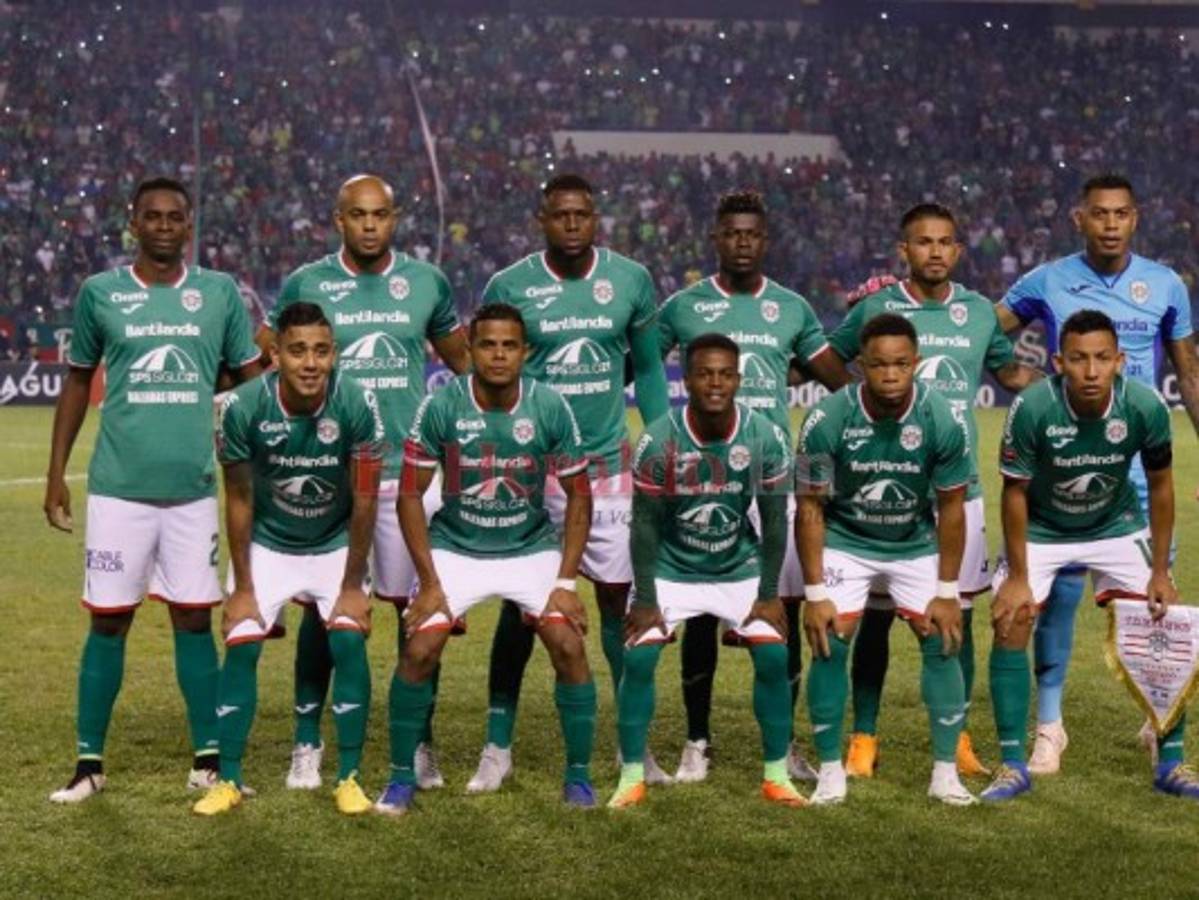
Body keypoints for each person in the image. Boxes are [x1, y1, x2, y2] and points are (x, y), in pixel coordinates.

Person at [45, 177, 262, 803]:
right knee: (109, 621)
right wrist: (57, 473)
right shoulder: (101, 293)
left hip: (193, 490)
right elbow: (78, 382)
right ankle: (89, 764)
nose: (164, 225)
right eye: (152, 216)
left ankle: (208, 760)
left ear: (189, 225)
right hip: (118, 490)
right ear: (133, 223)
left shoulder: (218, 293)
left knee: (194, 618)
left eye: (174, 217)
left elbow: (249, 381)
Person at [262, 174, 471, 793]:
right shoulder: (308, 283)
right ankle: (307, 744)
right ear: (339, 220)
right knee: (321, 609)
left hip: (408, 474)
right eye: (358, 215)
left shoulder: (427, 282)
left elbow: (463, 362)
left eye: (380, 214)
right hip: (331, 474)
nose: (371, 224)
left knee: (421, 613)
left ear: (395, 217)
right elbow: (271, 351)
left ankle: (419, 743)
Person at [466, 173, 671, 792]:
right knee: (520, 610)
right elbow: (495, 376)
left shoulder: (630, 280)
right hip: (533, 475)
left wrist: (661, 442)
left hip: (608, 475)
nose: (573, 224)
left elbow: (649, 367)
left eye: (583, 214)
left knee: (619, 606)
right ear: (543, 219)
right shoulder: (510, 285)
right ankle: (497, 747)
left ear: (596, 217)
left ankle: (633, 746)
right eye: (561, 215)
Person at [995, 174, 1199, 774]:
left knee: (1153, 606)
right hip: (1065, 468)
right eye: (1100, 213)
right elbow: (986, 330)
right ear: (1078, 219)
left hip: (1138, 468)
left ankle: (1159, 721)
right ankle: (1050, 727)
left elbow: (1188, 372)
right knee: (1056, 600)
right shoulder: (1047, 280)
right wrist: (1022, 378)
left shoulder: (1166, 284)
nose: (1111, 224)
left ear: (1136, 218)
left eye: (1121, 214)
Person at [829, 203, 1040, 778]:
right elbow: (829, 359)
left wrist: (1068, 379)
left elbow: (1011, 374)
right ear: (904, 250)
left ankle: (958, 735)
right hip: (883, 489)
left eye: (946, 242)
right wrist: (853, 411)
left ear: (959, 250)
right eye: (924, 242)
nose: (936, 251)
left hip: (957, 490)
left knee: (956, 618)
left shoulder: (979, 313)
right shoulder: (875, 306)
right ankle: (864, 737)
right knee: (873, 619)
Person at [656, 189, 850, 783]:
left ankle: (782, 742)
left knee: (783, 607)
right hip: (703, 476)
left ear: (765, 241)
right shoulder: (683, 307)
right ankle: (696, 740)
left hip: (775, 477)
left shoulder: (790, 308)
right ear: (716, 238)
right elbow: (640, 366)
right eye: (732, 233)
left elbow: (839, 383)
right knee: (699, 608)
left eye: (752, 233)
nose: (742, 242)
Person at [375, 303, 598, 814]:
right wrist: (430, 582)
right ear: (470, 349)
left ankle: (579, 779)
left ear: (526, 352)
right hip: (456, 546)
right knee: (420, 648)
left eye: (509, 345)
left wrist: (566, 582)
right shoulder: (442, 405)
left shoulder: (549, 406)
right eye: (488, 345)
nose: (498, 355)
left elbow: (579, 495)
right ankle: (401, 778)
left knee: (568, 645)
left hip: (529, 547)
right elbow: (409, 494)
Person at [982, 309, 1194, 800]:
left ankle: (1171, 759)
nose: (1092, 371)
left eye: (1102, 358)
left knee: (1165, 617)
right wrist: (1017, 576)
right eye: (1078, 359)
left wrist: (1160, 571)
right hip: (1042, 529)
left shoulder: (1144, 405)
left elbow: (1161, 487)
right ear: (1059, 362)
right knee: (1011, 618)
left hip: (1114, 524)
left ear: (1120, 361)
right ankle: (1012, 764)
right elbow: (1014, 493)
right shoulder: (1033, 407)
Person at [193, 302, 384, 816]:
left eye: (321, 351)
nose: (310, 363)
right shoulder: (240, 406)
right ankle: (228, 781)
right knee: (242, 643)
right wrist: (243, 588)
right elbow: (238, 498)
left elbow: (366, 497)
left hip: (334, 543)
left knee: (348, 639)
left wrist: (351, 586)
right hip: (269, 542)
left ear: (334, 354)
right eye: (297, 351)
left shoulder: (358, 402)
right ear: (274, 354)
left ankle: (348, 777)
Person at [610, 333, 806, 809]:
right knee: (638, 659)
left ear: (738, 379)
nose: (715, 383)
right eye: (704, 374)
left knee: (773, 656)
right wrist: (646, 598)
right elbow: (645, 525)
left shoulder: (763, 435)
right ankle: (631, 777)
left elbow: (775, 521)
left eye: (724, 374)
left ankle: (776, 776)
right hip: (671, 567)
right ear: (688, 378)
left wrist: (767, 593)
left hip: (738, 565)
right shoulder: (659, 439)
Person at [796, 313, 976, 806]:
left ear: (916, 363)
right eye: (879, 365)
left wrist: (947, 592)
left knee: (943, 637)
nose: (891, 375)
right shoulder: (824, 419)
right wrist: (815, 593)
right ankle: (830, 772)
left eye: (901, 364)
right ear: (860, 365)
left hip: (913, 541)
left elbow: (952, 508)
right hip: (845, 539)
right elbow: (809, 506)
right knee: (829, 639)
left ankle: (945, 774)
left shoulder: (944, 419)